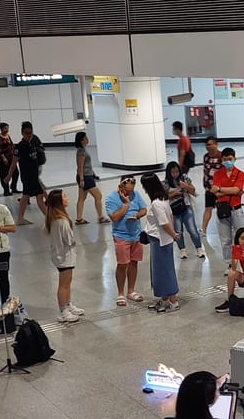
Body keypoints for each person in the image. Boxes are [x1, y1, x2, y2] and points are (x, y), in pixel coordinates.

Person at [106, 175, 149, 305]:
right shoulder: (111, 198)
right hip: (121, 236)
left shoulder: (136, 194)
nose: (130, 193)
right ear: (121, 186)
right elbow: (114, 217)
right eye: (128, 190)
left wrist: (137, 215)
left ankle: (131, 291)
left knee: (134, 262)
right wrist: (125, 204)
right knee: (122, 264)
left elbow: (144, 209)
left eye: (132, 190)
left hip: (135, 235)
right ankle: (120, 293)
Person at [142, 173, 181, 313]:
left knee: (165, 271)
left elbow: (164, 223)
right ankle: (164, 299)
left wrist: (174, 235)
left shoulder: (156, 203)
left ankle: (173, 300)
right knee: (159, 272)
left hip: (161, 241)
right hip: (159, 240)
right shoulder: (162, 199)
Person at [44, 189, 81, 323]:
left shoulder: (55, 219)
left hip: (62, 255)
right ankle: (63, 311)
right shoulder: (62, 221)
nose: (67, 198)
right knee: (63, 284)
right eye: (64, 196)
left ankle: (68, 304)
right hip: (64, 256)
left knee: (67, 283)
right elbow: (69, 239)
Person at [210, 147, 244, 262]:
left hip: (236, 210)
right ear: (222, 160)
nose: (228, 161)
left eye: (230, 159)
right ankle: (230, 264)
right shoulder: (217, 174)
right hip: (222, 210)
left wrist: (221, 189)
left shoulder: (240, 174)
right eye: (225, 159)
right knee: (225, 240)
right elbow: (215, 192)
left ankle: (242, 260)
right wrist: (232, 190)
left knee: (242, 237)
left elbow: (236, 190)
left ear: (234, 158)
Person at [10, 122, 48, 225]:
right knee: (39, 196)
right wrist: (9, 176)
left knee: (25, 196)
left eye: (30, 133)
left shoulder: (32, 143)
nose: (29, 135)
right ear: (22, 133)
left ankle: (20, 218)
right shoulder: (19, 147)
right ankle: (49, 219)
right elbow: (14, 163)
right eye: (26, 133)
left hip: (34, 175)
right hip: (28, 176)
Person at [165, 161, 205, 259]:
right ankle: (182, 250)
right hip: (174, 210)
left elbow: (193, 190)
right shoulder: (165, 182)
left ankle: (199, 248)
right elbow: (164, 197)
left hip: (186, 207)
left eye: (177, 171)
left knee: (192, 229)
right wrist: (175, 194)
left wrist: (185, 186)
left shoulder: (184, 178)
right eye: (173, 172)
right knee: (178, 231)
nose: (175, 174)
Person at [74, 132, 108, 225]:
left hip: (86, 176)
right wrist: (81, 179)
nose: (87, 139)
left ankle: (79, 218)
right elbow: (80, 166)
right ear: (81, 140)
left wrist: (93, 174)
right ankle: (100, 217)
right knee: (98, 196)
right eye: (85, 137)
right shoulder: (81, 151)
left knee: (81, 198)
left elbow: (86, 165)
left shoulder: (83, 149)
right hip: (85, 177)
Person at [200, 136, 223, 234]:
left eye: (210, 144)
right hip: (209, 189)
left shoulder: (222, 157)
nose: (208, 146)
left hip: (220, 189)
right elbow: (205, 171)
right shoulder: (206, 157)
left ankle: (226, 228)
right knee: (208, 208)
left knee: (222, 209)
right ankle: (203, 230)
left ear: (216, 144)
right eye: (207, 145)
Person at [0, 122, 18, 196]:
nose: (7, 129)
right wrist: (4, 158)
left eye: (7, 128)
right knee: (4, 174)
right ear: (1, 129)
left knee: (16, 173)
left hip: (11, 157)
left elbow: (11, 145)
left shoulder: (8, 136)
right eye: (5, 128)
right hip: (4, 158)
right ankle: (6, 190)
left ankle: (13, 187)